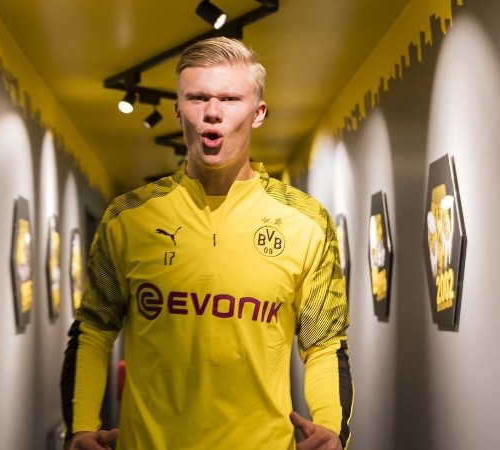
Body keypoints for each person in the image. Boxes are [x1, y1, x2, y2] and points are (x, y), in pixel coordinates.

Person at [60, 36, 353, 450]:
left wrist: (331, 429)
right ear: (179, 111)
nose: (212, 112)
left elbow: (323, 344)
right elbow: (93, 330)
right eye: (197, 98)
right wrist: (80, 428)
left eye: (230, 99)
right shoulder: (128, 218)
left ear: (258, 113)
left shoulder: (305, 221)